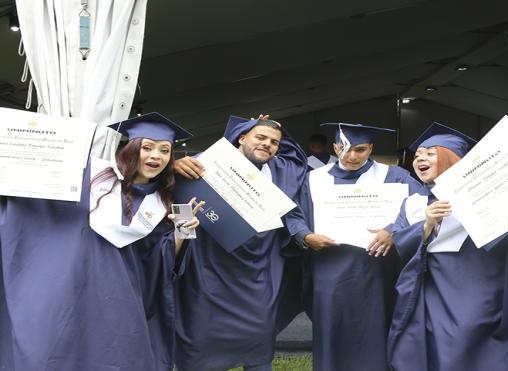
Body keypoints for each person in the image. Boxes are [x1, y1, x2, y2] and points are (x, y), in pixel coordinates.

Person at [0, 113, 201, 371]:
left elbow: (158, 263)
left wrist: (182, 232)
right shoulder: (92, 178)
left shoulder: (167, 201)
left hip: (117, 298)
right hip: (68, 287)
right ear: (131, 148)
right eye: (147, 147)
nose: (156, 156)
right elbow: (42, 206)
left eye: (164, 150)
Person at [388, 123, 508, 371]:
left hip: (481, 284)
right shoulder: (413, 203)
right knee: (434, 346)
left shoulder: (486, 191)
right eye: (418, 155)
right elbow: (401, 243)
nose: (420, 158)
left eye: (431, 153)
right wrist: (426, 225)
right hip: (431, 290)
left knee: (467, 339)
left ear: (453, 159)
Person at [172, 115, 307, 371]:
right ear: (241, 138)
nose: (268, 144)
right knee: (199, 347)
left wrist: (272, 127)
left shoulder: (280, 173)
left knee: (258, 347)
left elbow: (296, 155)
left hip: (255, 276)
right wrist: (174, 169)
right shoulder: (204, 163)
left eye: (274, 142)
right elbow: (181, 202)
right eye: (260, 137)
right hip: (207, 272)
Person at [287, 123, 421, 371]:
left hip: (377, 271)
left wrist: (393, 230)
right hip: (330, 270)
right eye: (345, 149)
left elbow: (420, 209)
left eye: (360, 149)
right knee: (331, 331)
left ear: (370, 148)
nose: (351, 156)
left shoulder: (394, 177)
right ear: (335, 147)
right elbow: (294, 215)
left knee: (374, 333)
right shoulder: (313, 179)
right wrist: (305, 236)